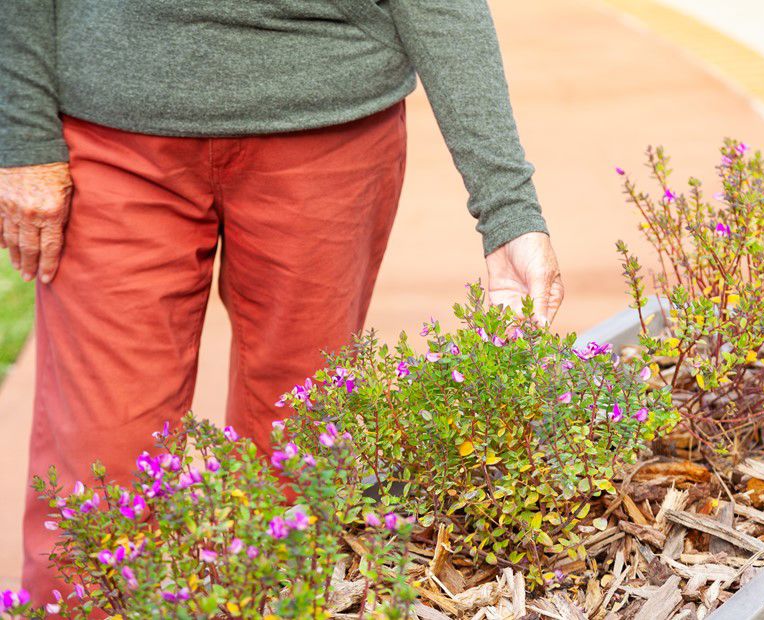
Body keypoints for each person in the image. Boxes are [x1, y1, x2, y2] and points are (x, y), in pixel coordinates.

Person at [0, 0, 564, 602]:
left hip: (328, 136)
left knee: (294, 459)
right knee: (100, 468)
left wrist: (507, 208)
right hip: (113, 138)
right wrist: (23, 132)